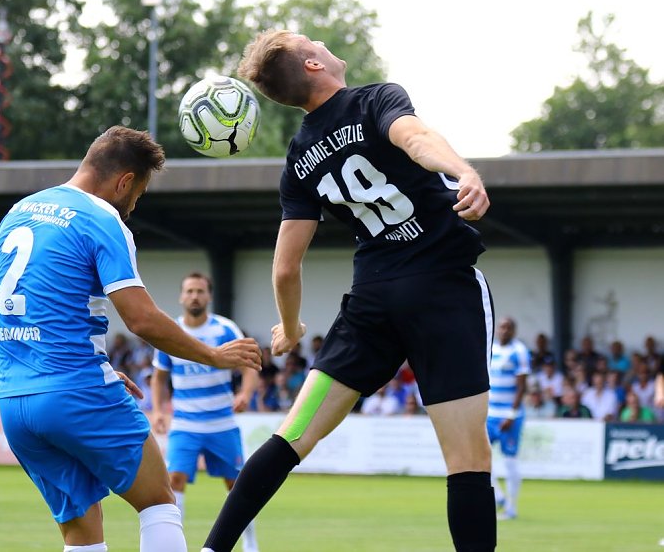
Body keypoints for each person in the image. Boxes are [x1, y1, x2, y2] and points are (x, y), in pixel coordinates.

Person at [202, 30, 495, 552]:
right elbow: (416, 139)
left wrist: (290, 328)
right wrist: (463, 171)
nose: (320, 42)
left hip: (372, 302)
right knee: (467, 460)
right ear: (313, 64)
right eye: (310, 40)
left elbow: (285, 268)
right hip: (443, 290)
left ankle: (211, 549)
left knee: (292, 436)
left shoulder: (299, 158)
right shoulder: (375, 100)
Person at [0, 126, 262, 552]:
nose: (134, 205)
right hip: (75, 390)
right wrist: (212, 355)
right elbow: (141, 319)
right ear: (124, 181)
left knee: (81, 529)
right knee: (158, 502)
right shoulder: (101, 218)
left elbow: (19, 306)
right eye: (138, 194)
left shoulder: (19, 212)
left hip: (13, 398)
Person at [150, 272, 261, 552]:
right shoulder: (170, 331)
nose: (194, 296)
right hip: (185, 423)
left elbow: (249, 365)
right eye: (189, 291)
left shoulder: (225, 330)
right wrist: (159, 411)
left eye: (200, 291)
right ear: (181, 296)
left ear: (209, 296)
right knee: (174, 480)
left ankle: (250, 543)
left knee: (236, 484)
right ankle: (177, 545)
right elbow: (159, 377)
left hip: (221, 422)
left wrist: (245, 394)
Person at [485, 317, 530, 521]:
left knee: (510, 461)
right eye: (502, 327)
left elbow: (522, 387)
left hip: (510, 416)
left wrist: (511, 415)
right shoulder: (491, 348)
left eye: (508, 328)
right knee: (480, 457)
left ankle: (512, 507)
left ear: (514, 331)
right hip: (490, 414)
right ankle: (498, 497)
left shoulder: (519, 352)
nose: (504, 331)